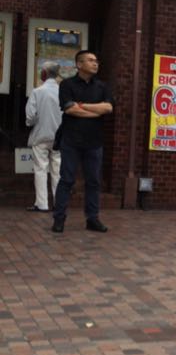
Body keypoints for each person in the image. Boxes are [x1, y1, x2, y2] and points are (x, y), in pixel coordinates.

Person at [52, 51, 113, 234]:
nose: (96, 63)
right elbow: (70, 109)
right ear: (79, 64)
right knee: (66, 180)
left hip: (94, 142)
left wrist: (82, 105)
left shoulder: (102, 86)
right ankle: (59, 219)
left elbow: (108, 107)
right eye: (91, 60)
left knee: (93, 181)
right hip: (71, 140)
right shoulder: (67, 84)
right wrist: (95, 112)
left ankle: (92, 219)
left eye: (96, 60)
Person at [25, 61, 62, 212]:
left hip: (40, 135)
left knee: (40, 169)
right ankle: (59, 203)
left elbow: (30, 117)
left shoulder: (37, 92)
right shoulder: (63, 92)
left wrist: (33, 122)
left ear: (45, 73)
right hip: (59, 137)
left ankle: (42, 204)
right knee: (57, 171)